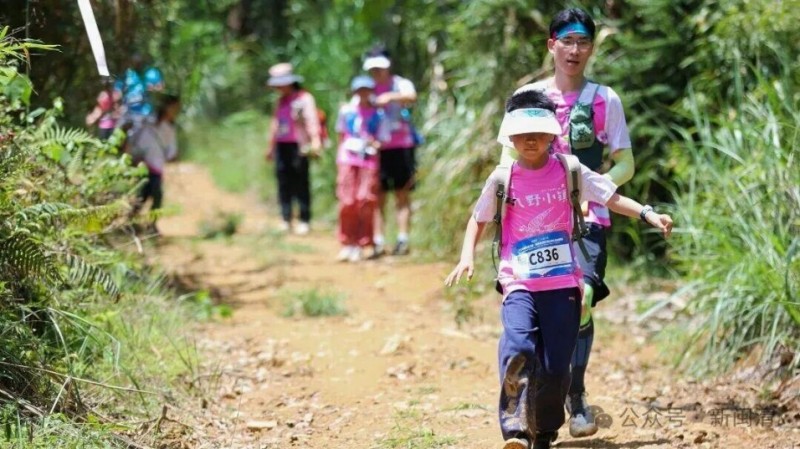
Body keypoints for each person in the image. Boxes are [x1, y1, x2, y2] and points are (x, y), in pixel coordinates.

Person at [444, 89, 672, 449]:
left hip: (563, 284)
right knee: (518, 346)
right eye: (522, 133)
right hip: (518, 281)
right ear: (510, 137)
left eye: (538, 132)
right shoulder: (503, 179)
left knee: (555, 366)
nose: (531, 140)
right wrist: (466, 256)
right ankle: (515, 429)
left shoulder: (570, 169)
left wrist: (648, 213)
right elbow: (478, 218)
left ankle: (544, 431)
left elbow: (610, 197)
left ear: (553, 134)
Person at [506, 7, 637, 438]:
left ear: (591, 48)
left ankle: (575, 393)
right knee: (542, 308)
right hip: (536, 223)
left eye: (583, 42)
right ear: (552, 46)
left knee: (579, 298)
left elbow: (626, 163)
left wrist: (591, 190)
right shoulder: (528, 97)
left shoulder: (605, 99)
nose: (574, 50)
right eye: (567, 41)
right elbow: (507, 163)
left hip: (588, 220)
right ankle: (542, 396)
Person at [362, 49, 419, 257]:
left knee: (402, 193)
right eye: (373, 68)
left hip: (403, 145)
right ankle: (378, 240)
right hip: (378, 149)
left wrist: (389, 97)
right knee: (378, 196)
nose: (377, 72)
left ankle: (403, 239)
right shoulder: (367, 88)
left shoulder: (400, 84)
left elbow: (412, 96)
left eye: (380, 67)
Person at [265, 63, 322, 236]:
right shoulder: (281, 101)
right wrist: (271, 147)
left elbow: (312, 120)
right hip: (283, 145)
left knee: (300, 182)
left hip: (299, 146)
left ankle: (304, 219)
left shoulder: (304, 98)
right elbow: (276, 124)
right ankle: (285, 218)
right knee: (284, 182)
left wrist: (315, 140)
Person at [334, 75, 382, 262]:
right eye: (359, 90)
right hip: (348, 159)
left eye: (366, 90)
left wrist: (374, 143)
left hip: (368, 161)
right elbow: (341, 135)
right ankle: (348, 242)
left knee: (365, 200)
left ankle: (363, 242)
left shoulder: (378, 115)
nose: (363, 94)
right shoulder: (347, 111)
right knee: (347, 201)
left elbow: (382, 139)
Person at [128, 95, 181, 235]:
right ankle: (133, 224)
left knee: (151, 196)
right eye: (174, 108)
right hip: (144, 165)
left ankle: (144, 224)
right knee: (145, 196)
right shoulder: (148, 122)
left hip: (156, 167)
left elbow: (171, 151)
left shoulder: (168, 127)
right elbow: (136, 140)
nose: (175, 111)